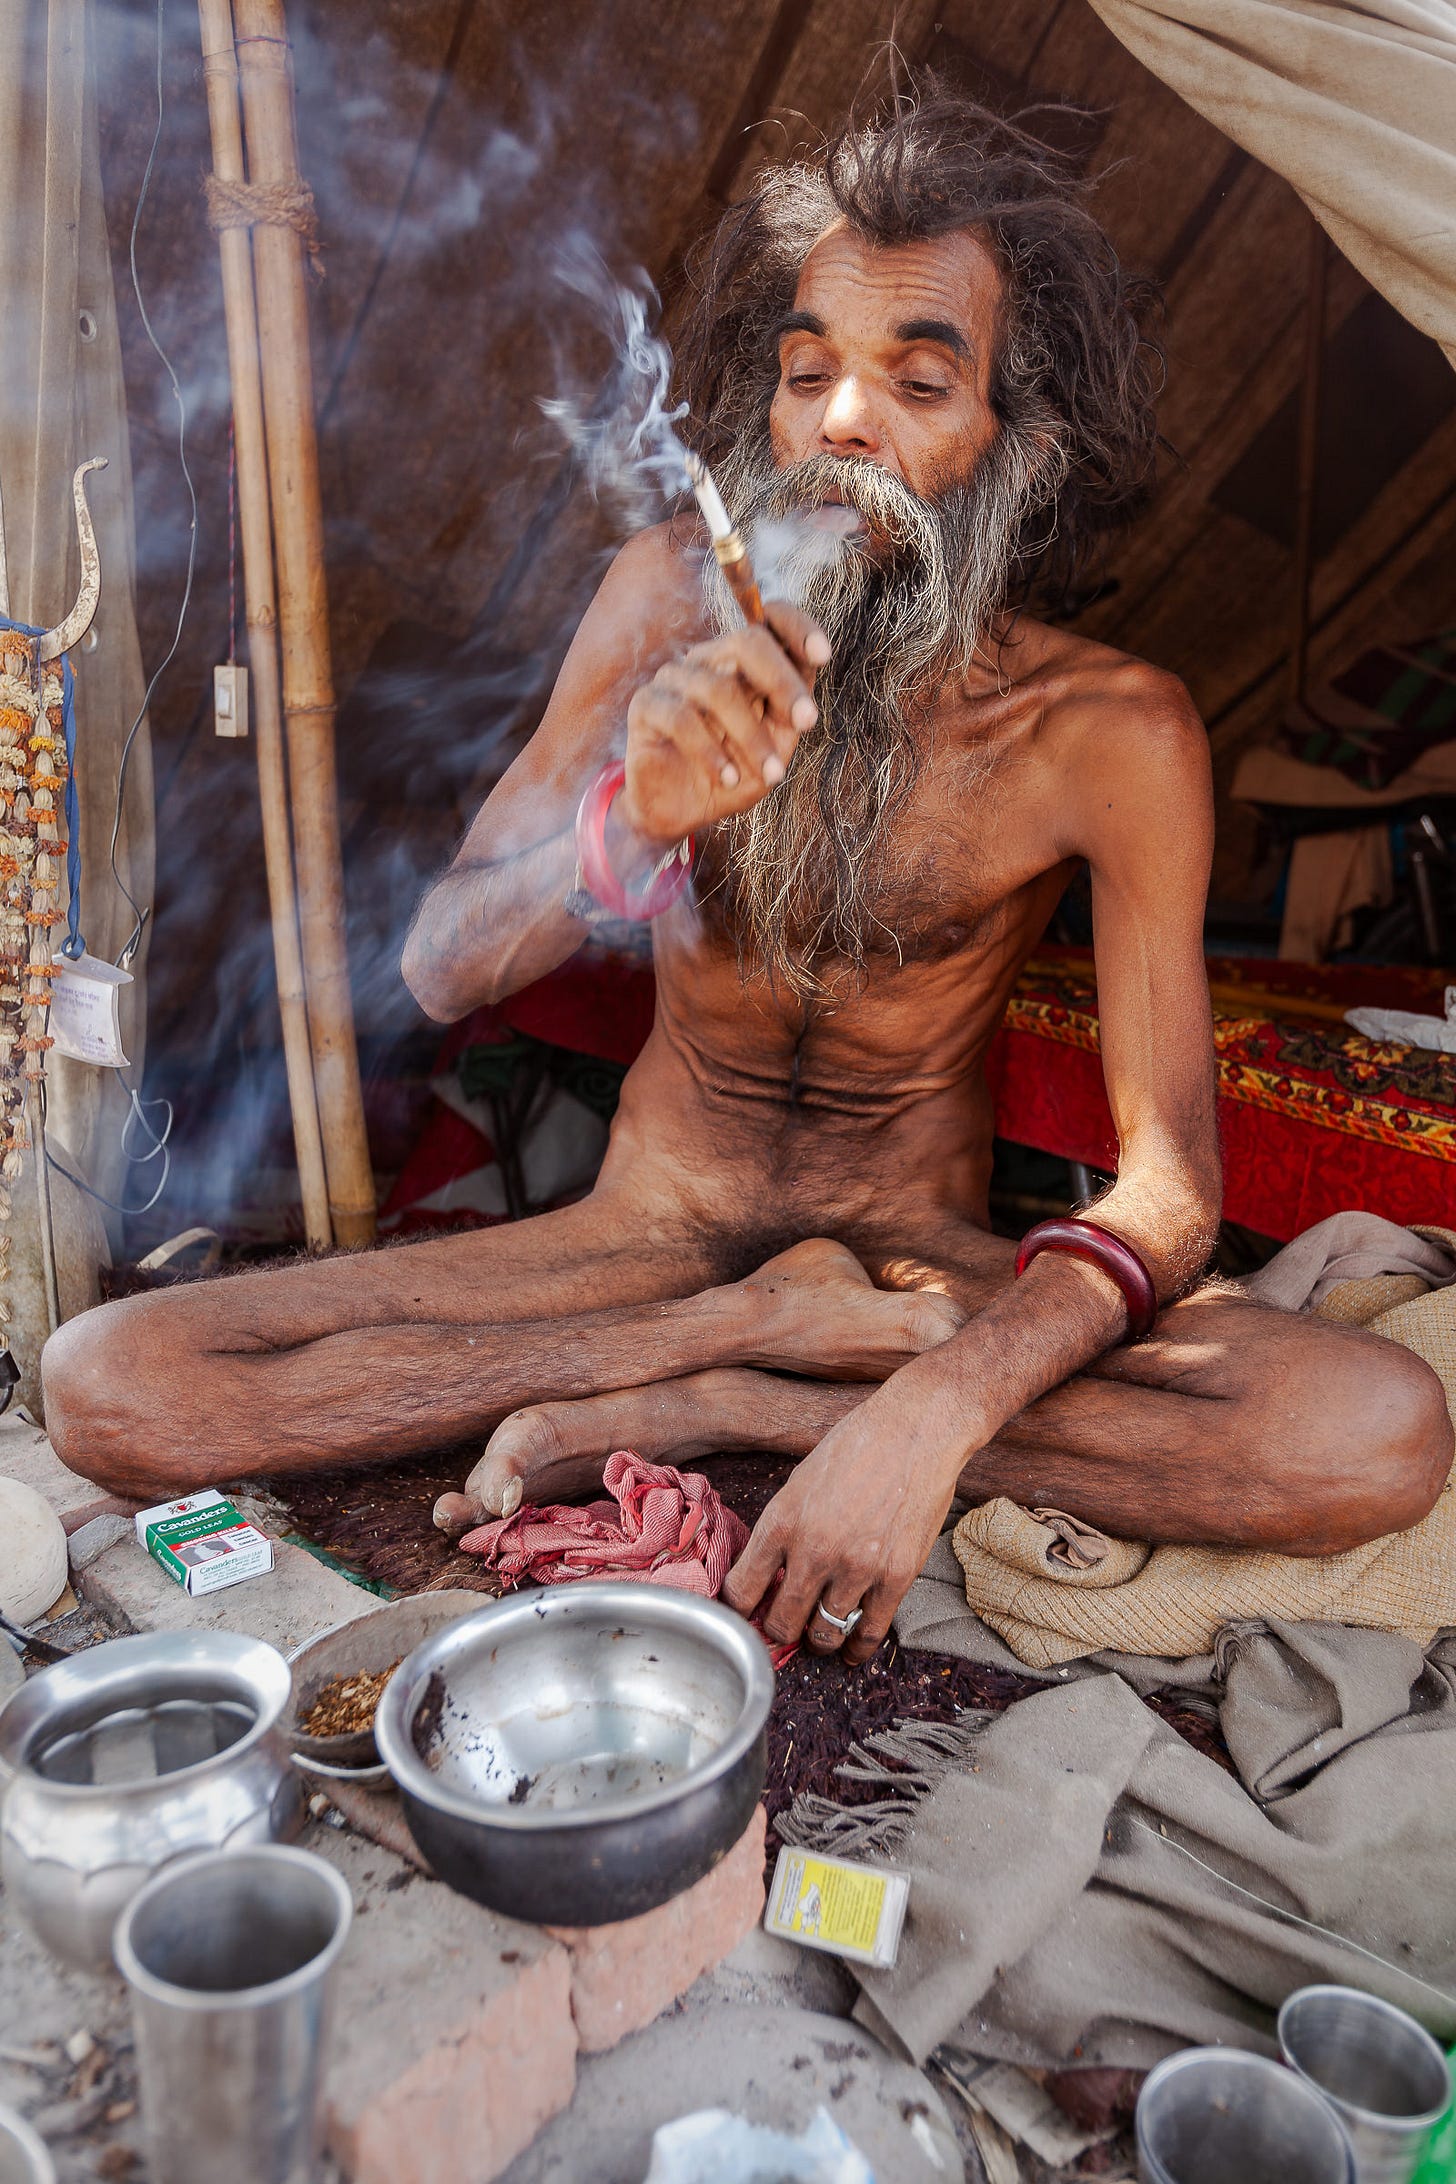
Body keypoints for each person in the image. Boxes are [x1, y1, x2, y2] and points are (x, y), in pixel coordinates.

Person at [41, 88, 1450, 1664]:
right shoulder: (661, 600)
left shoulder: (1115, 733)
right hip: (641, 1234)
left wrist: (938, 1405)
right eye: (807, 375)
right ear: (767, 415)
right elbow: (439, 966)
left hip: (919, 1264)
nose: (845, 421)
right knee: (109, 1382)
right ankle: (748, 1338)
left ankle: (743, 1397)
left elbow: (1172, 1187)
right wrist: (625, 825)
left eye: (919, 380)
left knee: (1374, 1435)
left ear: (1014, 446)